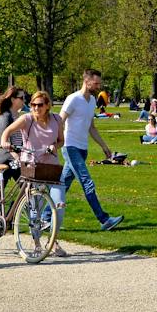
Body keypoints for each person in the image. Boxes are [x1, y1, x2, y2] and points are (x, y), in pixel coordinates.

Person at [52, 70, 125, 232]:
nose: (99, 86)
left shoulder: (92, 100)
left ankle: (45, 218)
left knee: (63, 185)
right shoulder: (73, 99)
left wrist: (104, 146)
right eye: (96, 83)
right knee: (87, 182)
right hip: (70, 147)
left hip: (82, 149)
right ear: (87, 81)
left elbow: (91, 127)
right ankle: (104, 219)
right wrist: (56, 142)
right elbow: (59, 121)